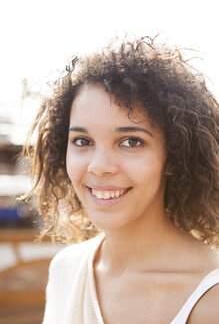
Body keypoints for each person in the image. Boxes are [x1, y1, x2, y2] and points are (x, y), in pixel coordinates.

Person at [24, 36, 219, 323]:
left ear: (174, 155)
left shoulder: (210, 299)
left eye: (131, 141)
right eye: (82, 140)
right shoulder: (65, 269)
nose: (100, 166)